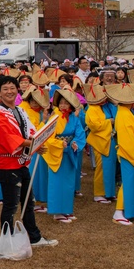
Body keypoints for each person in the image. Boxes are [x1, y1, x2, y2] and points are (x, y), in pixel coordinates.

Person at [0, 76, 58, 250]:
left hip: (21, 162)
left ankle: (33, 236)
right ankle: (7, 240)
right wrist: (35, 143)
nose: (9, 91)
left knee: (28, 202)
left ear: (17, 90)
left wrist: (36, 143)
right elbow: (11, 138)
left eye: (12, 88)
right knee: (11, 205)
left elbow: (30, 131)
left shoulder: (20, 111)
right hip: (7, 164)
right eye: (5, 89)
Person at [43, 89, 86, 224]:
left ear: (71, 105)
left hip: (69, 154)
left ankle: (66, 209)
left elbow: (80, 134)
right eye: (60, 103)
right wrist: (60, 143)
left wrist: (75, 143)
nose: (63, 106)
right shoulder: (53, 118)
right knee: (57, 182)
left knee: (68, 183)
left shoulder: (74, 118)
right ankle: (57, 211)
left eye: (66, 103)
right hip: (57, 153)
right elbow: (47, 137)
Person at [109, 83, 134, 225]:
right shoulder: (124, 114)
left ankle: (130, 211)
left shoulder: (125, 112)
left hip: (131, 151)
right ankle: (119, 212)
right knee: (128, 183)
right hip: (128, 152)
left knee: (132, 183)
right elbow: (127, 139)